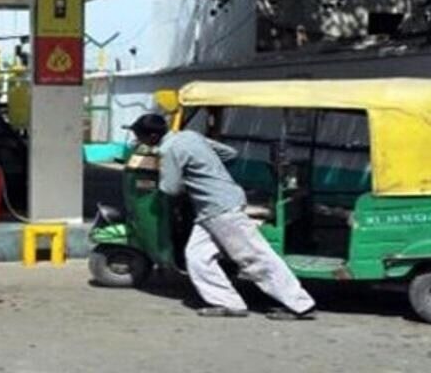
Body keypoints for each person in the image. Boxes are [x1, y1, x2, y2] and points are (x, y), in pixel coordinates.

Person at [127, 113, 316, 320]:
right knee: (198, 257)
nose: (138, 140)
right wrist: (203, 168)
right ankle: (228, 303)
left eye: (139, 136)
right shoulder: (190, 136)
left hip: (219, 209)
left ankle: (300, 304)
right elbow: (229, 153)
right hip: (215, 207)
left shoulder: (169, 149)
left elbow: (170, 188)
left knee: (254, 257)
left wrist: (167, 175)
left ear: (153, 136)